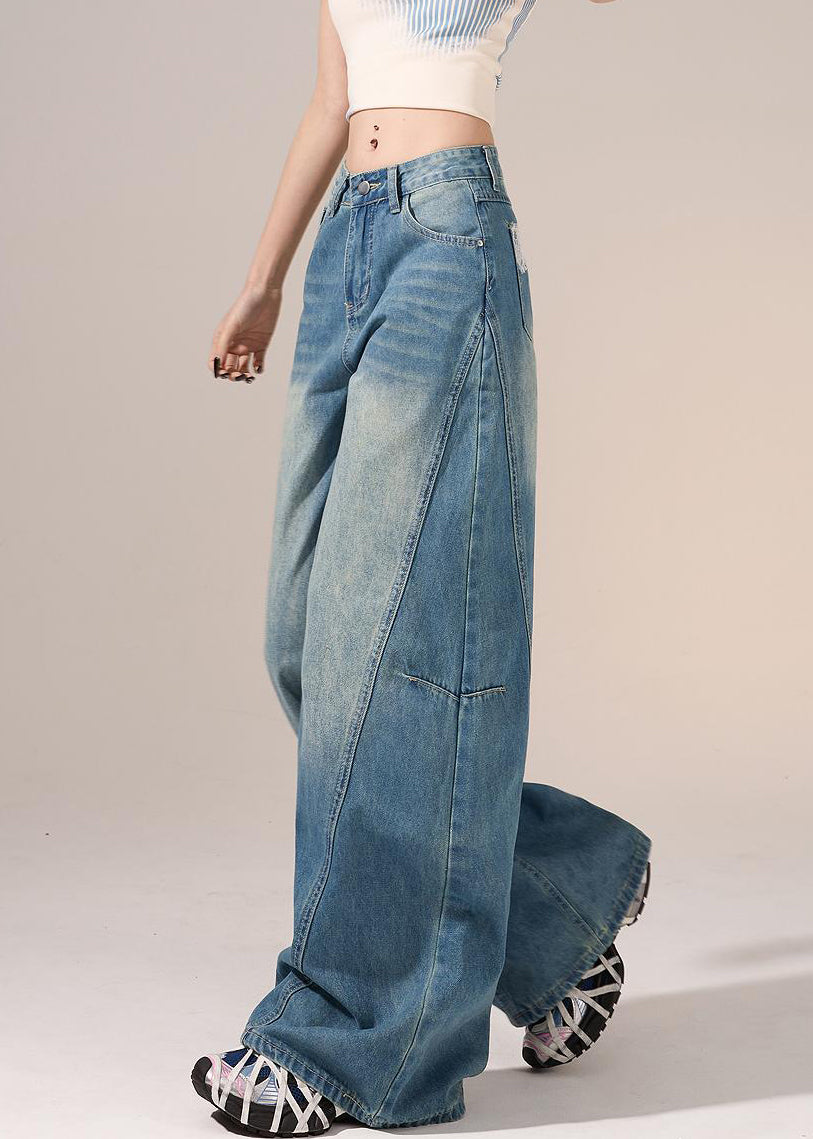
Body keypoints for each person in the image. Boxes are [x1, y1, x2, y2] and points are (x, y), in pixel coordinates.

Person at [192, 1, 652, 1133]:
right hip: (347, 246)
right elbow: (329, 101)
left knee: (390, 656)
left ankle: (348, 1038)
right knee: (304, 637)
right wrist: (263, 279)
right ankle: (557, 907)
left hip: (449, 237)